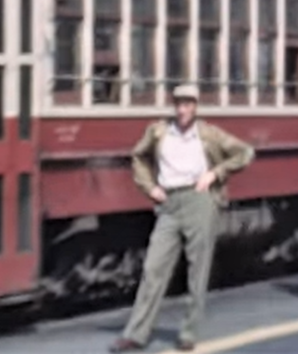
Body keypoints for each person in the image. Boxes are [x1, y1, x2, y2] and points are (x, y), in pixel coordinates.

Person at [109, 85, 255, 353]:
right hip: (168, 202)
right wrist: (150, 187)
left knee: (197, 270)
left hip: (199, 200)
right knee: (154, 268)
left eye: (188, 104)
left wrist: (215, 174)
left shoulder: (209, 133)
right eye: (178, 104)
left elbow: (245, 152)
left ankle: (188, 333)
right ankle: (136, 334)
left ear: (195, 107)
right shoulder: (158, 131)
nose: (182, 109)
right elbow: (138, 157)